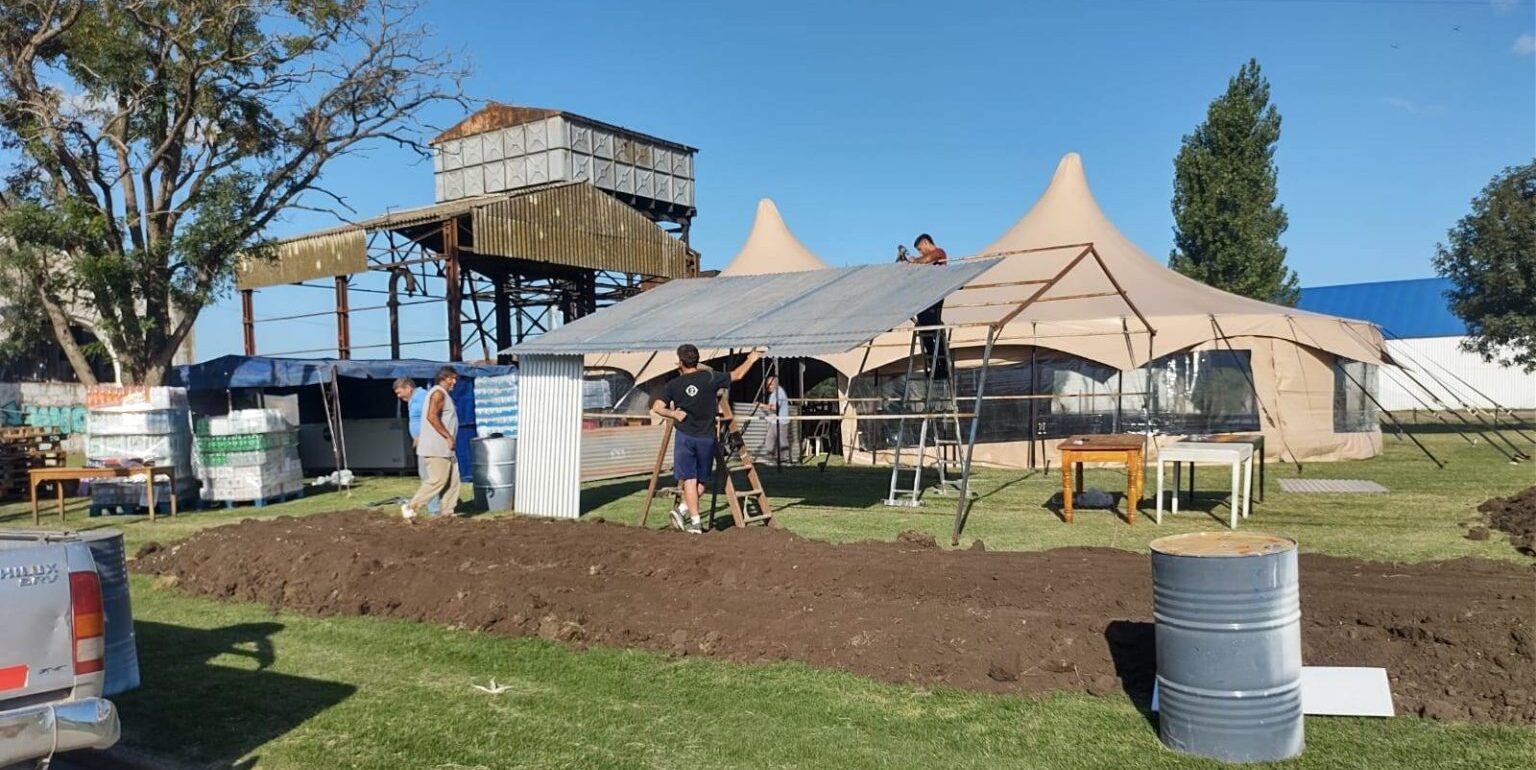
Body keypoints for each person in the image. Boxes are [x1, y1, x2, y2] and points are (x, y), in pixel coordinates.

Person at [651, 345, 762, 533]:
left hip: (686, 437)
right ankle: (695, 522)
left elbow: (657, 407)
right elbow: (737, 375)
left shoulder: (674, 384)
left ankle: (682, 510)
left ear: (680, 362)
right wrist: (751, 359)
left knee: (693, 481)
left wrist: (673, 414)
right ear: (697, 360)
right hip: (706, 437)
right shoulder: (710, 378)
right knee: (698, 481)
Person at [402, 367, 460, 520]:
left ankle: (447, 513)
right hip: (437, 447)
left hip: (446, 448)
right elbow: (432, 416)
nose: (454, 382)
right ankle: (411, 506)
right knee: (437, 480)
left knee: (452, 481)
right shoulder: (438, 393)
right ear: (443, 378)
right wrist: (448, 436)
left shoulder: (443, 394)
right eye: (452, 378)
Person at [392, 377, 440, 515]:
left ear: (408, 388)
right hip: (423, 443)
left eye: (399, 392)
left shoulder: (422, 398)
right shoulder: (414, 399)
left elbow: (432, 416)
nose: (399, 396)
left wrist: (421, 435)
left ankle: (435, 510)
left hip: (427, 442)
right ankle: (437, 508)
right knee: (428, 476)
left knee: (428, 477)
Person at [910, 233, 951, 379]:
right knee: (924, 329)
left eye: (920, 249)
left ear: (926, 243)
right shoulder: (925, 260)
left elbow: (927, 259)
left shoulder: (939, 253)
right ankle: (933, 365)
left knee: (934, 329)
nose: (920, 252)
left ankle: (942, 366)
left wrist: (915, 260)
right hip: (927, 298)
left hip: (936, 298)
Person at [758, 373, 790, 464]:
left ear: (776, 383)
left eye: (771, 384)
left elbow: (775, 408)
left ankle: (784, 459)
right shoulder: (773, 394)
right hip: (774, 421)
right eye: (768, 385)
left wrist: (762, 405)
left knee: (781, 440)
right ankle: (770, 457)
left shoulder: (779, 392)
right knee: (770, 439)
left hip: (781, 421)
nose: (769, 387)